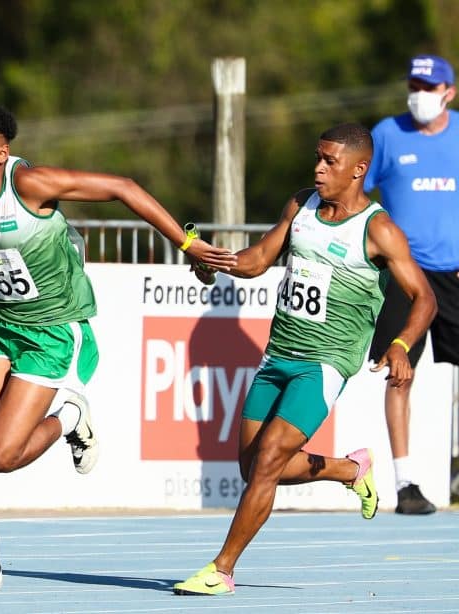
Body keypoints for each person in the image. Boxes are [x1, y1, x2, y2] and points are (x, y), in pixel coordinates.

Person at [0, 102, 235, 592]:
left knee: (0, 453)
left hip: (55, 329)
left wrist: (187, 246)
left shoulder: (31, 185)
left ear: (2, 153)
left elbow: (124, 188)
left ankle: (69, 417)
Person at [173, 123, 437, 596]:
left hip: (326, 363)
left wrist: (400, 344)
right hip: (279, 354)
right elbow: (257, 261)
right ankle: (348, 469)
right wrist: (215, 260)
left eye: (329, 161)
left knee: (270, 458)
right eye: (317, 157)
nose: (318, 168)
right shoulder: (302, 205)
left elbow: (424, 297)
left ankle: (221, 568)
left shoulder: (377, 229)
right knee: (251, 467)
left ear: (358, 170)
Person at [365, 54, 459, 515]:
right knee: (400, 371)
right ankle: (405, 484)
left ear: (449, 92)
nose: (419, 93)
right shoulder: (387, 134)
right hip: (404, 276)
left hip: (455, 273)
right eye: (414, 84)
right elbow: (357, 189)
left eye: (428, 86)